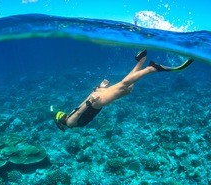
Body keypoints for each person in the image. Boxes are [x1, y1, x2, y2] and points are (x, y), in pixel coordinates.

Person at [51, 49, 193, 131]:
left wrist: (93, 98)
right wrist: (98, 90)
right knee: (127, 89)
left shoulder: (70, 122)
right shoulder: (69, 116)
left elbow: (82, 109)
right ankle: (141, 61)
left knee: (123, 85)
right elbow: (81, 105)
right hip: (96, 99)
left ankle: (152, 68)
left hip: (97, 103)